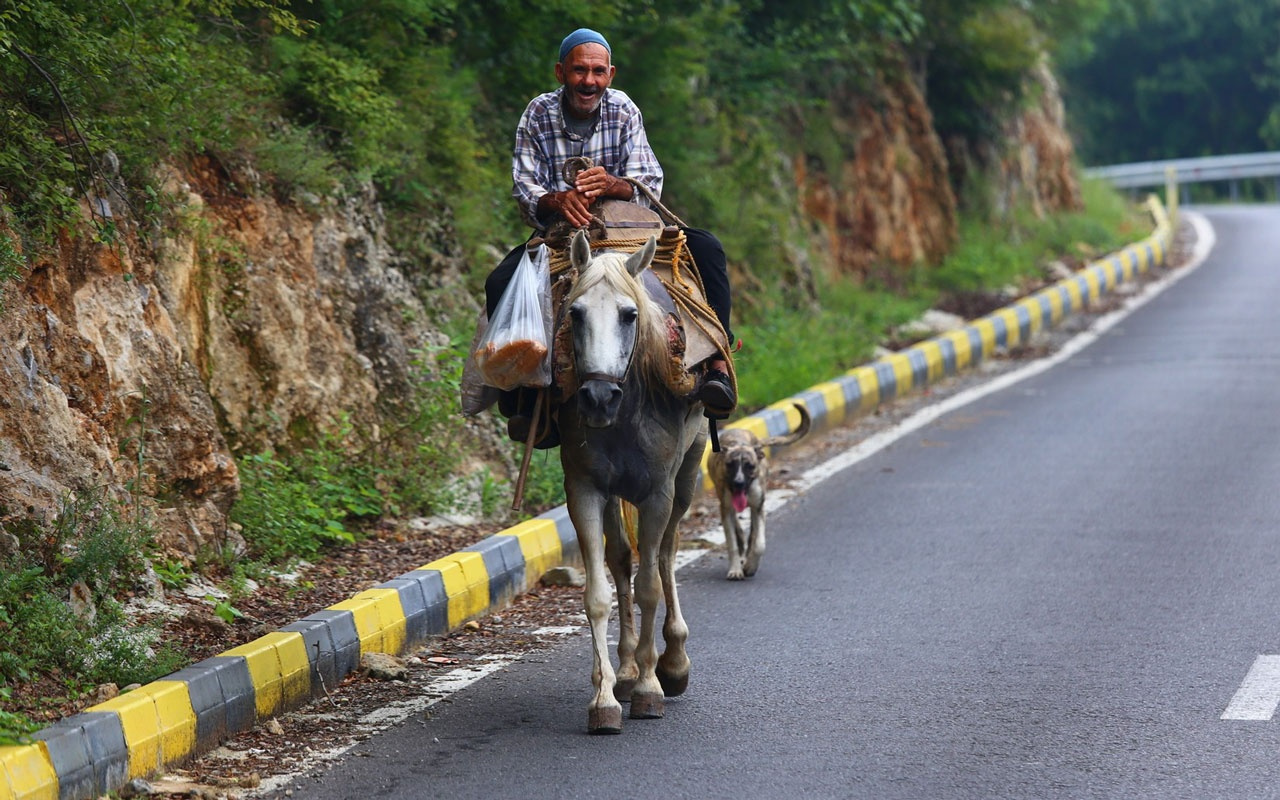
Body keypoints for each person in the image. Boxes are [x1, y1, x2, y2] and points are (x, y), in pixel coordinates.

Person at [485, 28, 736, 444]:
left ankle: (716, 366)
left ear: (611, 74)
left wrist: (614, 184)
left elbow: (648, 180)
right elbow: (525, 188)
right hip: (564, 236)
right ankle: (525, 396)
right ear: (561, 71)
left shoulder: (623, 109)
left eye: (598, 72)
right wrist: (555, 200)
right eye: (579, 70)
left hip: (629, 229)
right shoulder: (537, 113)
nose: (589, 81)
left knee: (708, 249)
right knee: (499, 282)